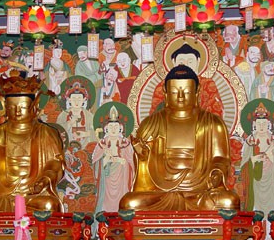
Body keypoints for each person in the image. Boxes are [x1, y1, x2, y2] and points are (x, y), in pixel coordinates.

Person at [119, 65, 240, 211]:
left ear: (197, 92)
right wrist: (143, 158)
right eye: (175, 92)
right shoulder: (151, 124)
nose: (181, 97)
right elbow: (145, 183)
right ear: (165, 92)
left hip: (199, 192)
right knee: (129, 203)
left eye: (187, 92)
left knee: (229, 201)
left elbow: (221, 160)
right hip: (161, 193)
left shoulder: (212, 123)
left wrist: (216, 174)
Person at [0, 71, 65, 212]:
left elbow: (56, 164)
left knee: (49, 205)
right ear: (5, 107)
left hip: (31, 195)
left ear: (34, 107)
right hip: (0, 194)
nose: (17, 111)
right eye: (12, 107)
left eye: (22, 108)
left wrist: (44, 180)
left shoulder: (46, 133)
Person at [93, 106, 135, 212]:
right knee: (105, 203)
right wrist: (106, 159)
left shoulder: (126, 144)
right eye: (110, 127)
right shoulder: (101, 145)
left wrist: (122, 162)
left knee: (122, 200)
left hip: (122, 180)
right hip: (106, 182)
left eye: (116, 127)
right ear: (106, 129)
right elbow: (96, 165)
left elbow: (132, 163)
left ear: (121, 128)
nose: (113, 129)